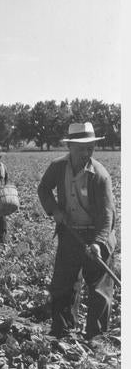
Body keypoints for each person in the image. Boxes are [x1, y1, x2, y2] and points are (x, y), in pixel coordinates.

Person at [37, 122, 116, 340]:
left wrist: (99, 244)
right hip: (70, 232)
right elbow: (43, 188)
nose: (86, 152)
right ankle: (62, 330)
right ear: (70, 146)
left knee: (99, 288)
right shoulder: (58, 167)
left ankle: (96, 337)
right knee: (64, 283)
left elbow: (107, 216)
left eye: (90, 147)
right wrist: (54, 210)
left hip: (97, 233)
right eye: (81, 147)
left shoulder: (100, 176)